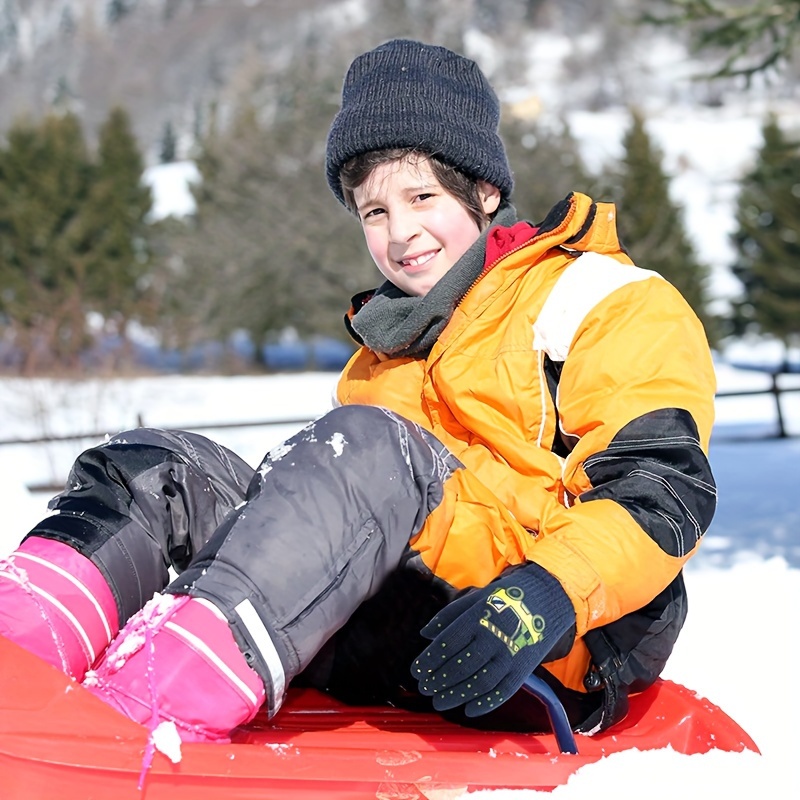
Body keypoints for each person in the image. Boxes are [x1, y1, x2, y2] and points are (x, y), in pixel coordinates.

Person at [0, 39, 717, 744]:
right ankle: (18, 664)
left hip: (525, 639)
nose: (401, 233)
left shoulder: (597, 298)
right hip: (385, 624)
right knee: (158, 469)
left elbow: (660, 491)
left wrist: (548, 594)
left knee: (368, 448)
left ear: (485, 191)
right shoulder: (386, 349)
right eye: (374, 212)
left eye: (422, 197)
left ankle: (144, 712)